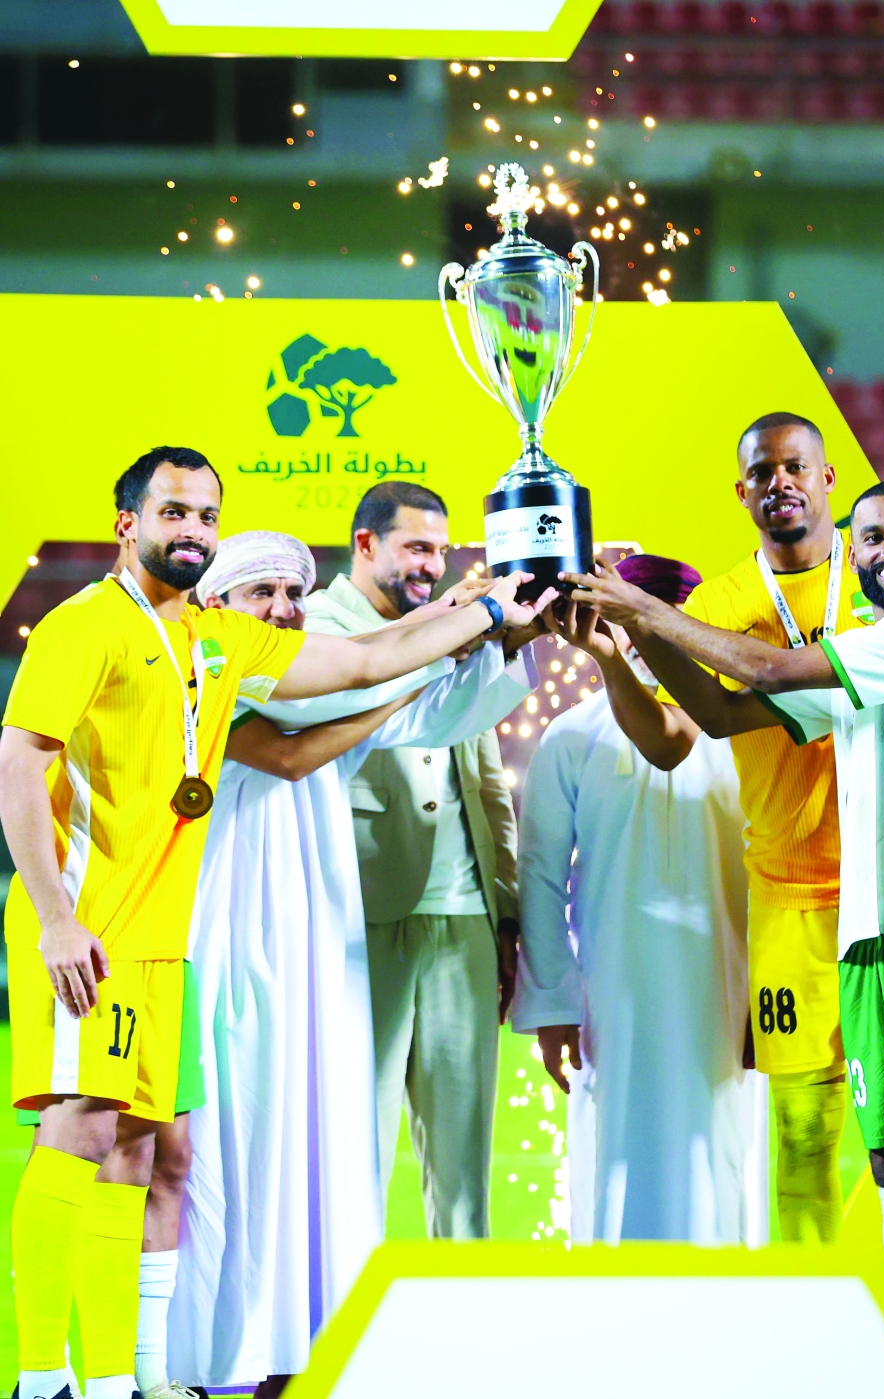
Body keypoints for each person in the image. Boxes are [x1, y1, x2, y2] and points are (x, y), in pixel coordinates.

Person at [0, 447, 550, 1399]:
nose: (191, 530)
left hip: (165, 941)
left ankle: (111, 1379)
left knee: (136, 1153)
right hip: (90, 928)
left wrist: (490, 611)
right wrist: (53, 918)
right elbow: (16, 760)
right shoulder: (82, 624)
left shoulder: (213, 643)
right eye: (174, 513)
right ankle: (43, 1376)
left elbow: (369, 655)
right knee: (82, 1141)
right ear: (128, 522)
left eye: (205, 516)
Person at [565, 481, 884, 1397]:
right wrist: (629, 642)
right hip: (862, 937)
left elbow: (759, 674)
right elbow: (722, 717)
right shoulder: (860, 659)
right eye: (873, 534)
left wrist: (642, 604)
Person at [169, 530, 540, 1388]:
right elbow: (297, 742)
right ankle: (202, 1350)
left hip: (316, 931)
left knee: (314, 1126)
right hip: (229, 930)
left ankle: (302, 1343)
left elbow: (440, 712)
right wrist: (444, 641)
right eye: (261, 594)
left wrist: (495, 642)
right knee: (235, 1131)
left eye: (290, 597)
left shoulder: (317, 678)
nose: (282, 612)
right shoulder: (203, 670)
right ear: (217, 606)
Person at [304, 480, 537, 1238]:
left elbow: (488, 781)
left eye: (439, 552)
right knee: (355, 1146)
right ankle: (340, 1331)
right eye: (416, 548)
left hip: (462, 917)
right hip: (359, 910)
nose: (431, 568)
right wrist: (466, 627)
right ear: (365, 544)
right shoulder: (315, 626)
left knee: (465, 1158)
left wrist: (504, 915)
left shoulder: (448, 629)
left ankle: (464, 1329)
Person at [513, 555, 759, 1245]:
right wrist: (554, 1003)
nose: (638, 638)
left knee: (725, 1146)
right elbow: (539, 875)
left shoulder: (744, 725)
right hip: (612, 988)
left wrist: (768, 994)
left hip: (727, 983)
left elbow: (771, 866)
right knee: (616, 1145)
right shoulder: (571, 734)